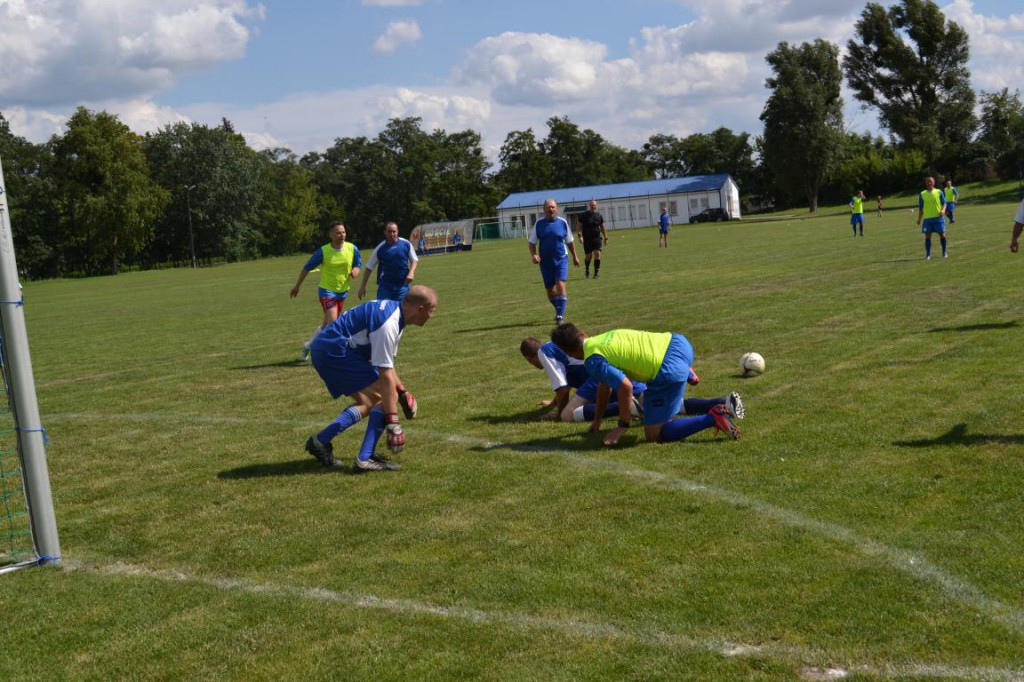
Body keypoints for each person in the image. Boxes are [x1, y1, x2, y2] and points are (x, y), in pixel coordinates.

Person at [305, 285, 437, 473]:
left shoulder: (394, 315)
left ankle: (320, 441)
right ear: (420, 309)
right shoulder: (388, 323)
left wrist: (402, 392)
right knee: (383, 397)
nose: (432, 316)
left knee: (369, 402)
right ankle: (365, 459)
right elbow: (384, 375)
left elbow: (387, 366)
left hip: (329, 348)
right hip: (335, 350)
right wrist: (394, 423)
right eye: (432, 310)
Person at [551, 323, 741, 446]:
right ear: (583, 334)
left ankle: (713, 416)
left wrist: (622, 425)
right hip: (679, 343)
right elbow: (604, 386)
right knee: (653, 403)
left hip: (667, 370)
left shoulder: (592, 360)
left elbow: (625, 387)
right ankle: (686, 371)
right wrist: (598, 420)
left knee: (654, 434)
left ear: (567, 353)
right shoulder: (603, 338)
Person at [520, 337, 742, 424]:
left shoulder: (543, 354)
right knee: (666, 405)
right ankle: (722, 402)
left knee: (568, 416)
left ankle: (626, 408)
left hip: (599, 377)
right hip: (639, 366)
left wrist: (557, 412)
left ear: (530, 358)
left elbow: (563, 387)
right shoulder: (556, 345)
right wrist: (552, 402)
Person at [290, 221, 361, 362]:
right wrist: (297, 286)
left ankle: (308, 346)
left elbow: (357, 263)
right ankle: (334, 354)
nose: (342, 235)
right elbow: (307, 267)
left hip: (342, 292)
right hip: (327, 291)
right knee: (335, 323)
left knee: (326, 326)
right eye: (338, 233)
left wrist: (355, 271)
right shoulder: (324, 251)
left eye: (343, 232)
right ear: (331, 235)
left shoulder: (352, 248)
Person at [528, 199, 580, 325]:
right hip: (545, 262)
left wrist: (575, 257)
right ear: (544, 209)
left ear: (557, 209)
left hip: (561, 259)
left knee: (560, 284)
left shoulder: (562, 223)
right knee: (550, 290)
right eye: (548, 207)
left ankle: (559, 316)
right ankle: (559, 308)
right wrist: (534, 255)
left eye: (553, 207)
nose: (551, 209)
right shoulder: (539, 224)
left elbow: (570, 242)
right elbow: (532, 242)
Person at [358, 221, 419, 302]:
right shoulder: (380, 248)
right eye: (389, 231)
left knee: (402, 311)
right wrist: (363, 286)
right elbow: (369, 267)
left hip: (402, 286)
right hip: (385, 287)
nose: (392, 234)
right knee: (383, 312)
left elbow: (414, 260)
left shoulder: (406, 244)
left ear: (397, 232)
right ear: (385, 232)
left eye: (394, 231)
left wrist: (411, 272)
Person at [917, 176, 948, 260]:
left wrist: (943, 211)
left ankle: (944, 252)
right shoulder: (922, 194)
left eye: (931, 181)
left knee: (942, 235)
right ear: (926, 183)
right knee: (927, 237)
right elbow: (921, 208)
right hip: (927, 219)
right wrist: (919, 219)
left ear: (934, 183)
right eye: (928, 182)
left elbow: (944, 203)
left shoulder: (939, 192)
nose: (929, 183)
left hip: (938, 218)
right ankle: (928, 255)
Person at [577, 200, 609, 279]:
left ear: (596, 206)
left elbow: (602, 227)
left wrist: (606, 237)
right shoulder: (584, 215)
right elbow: (578, 226)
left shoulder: (599, 215)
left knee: (597, 253)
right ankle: (587, 269)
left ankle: (596, 273)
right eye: (592, 205)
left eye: (594, 205)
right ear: (589, 206)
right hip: (587, 239)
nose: (593, 207)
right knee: (588, 256)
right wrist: (580, 236)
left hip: (596, 238)